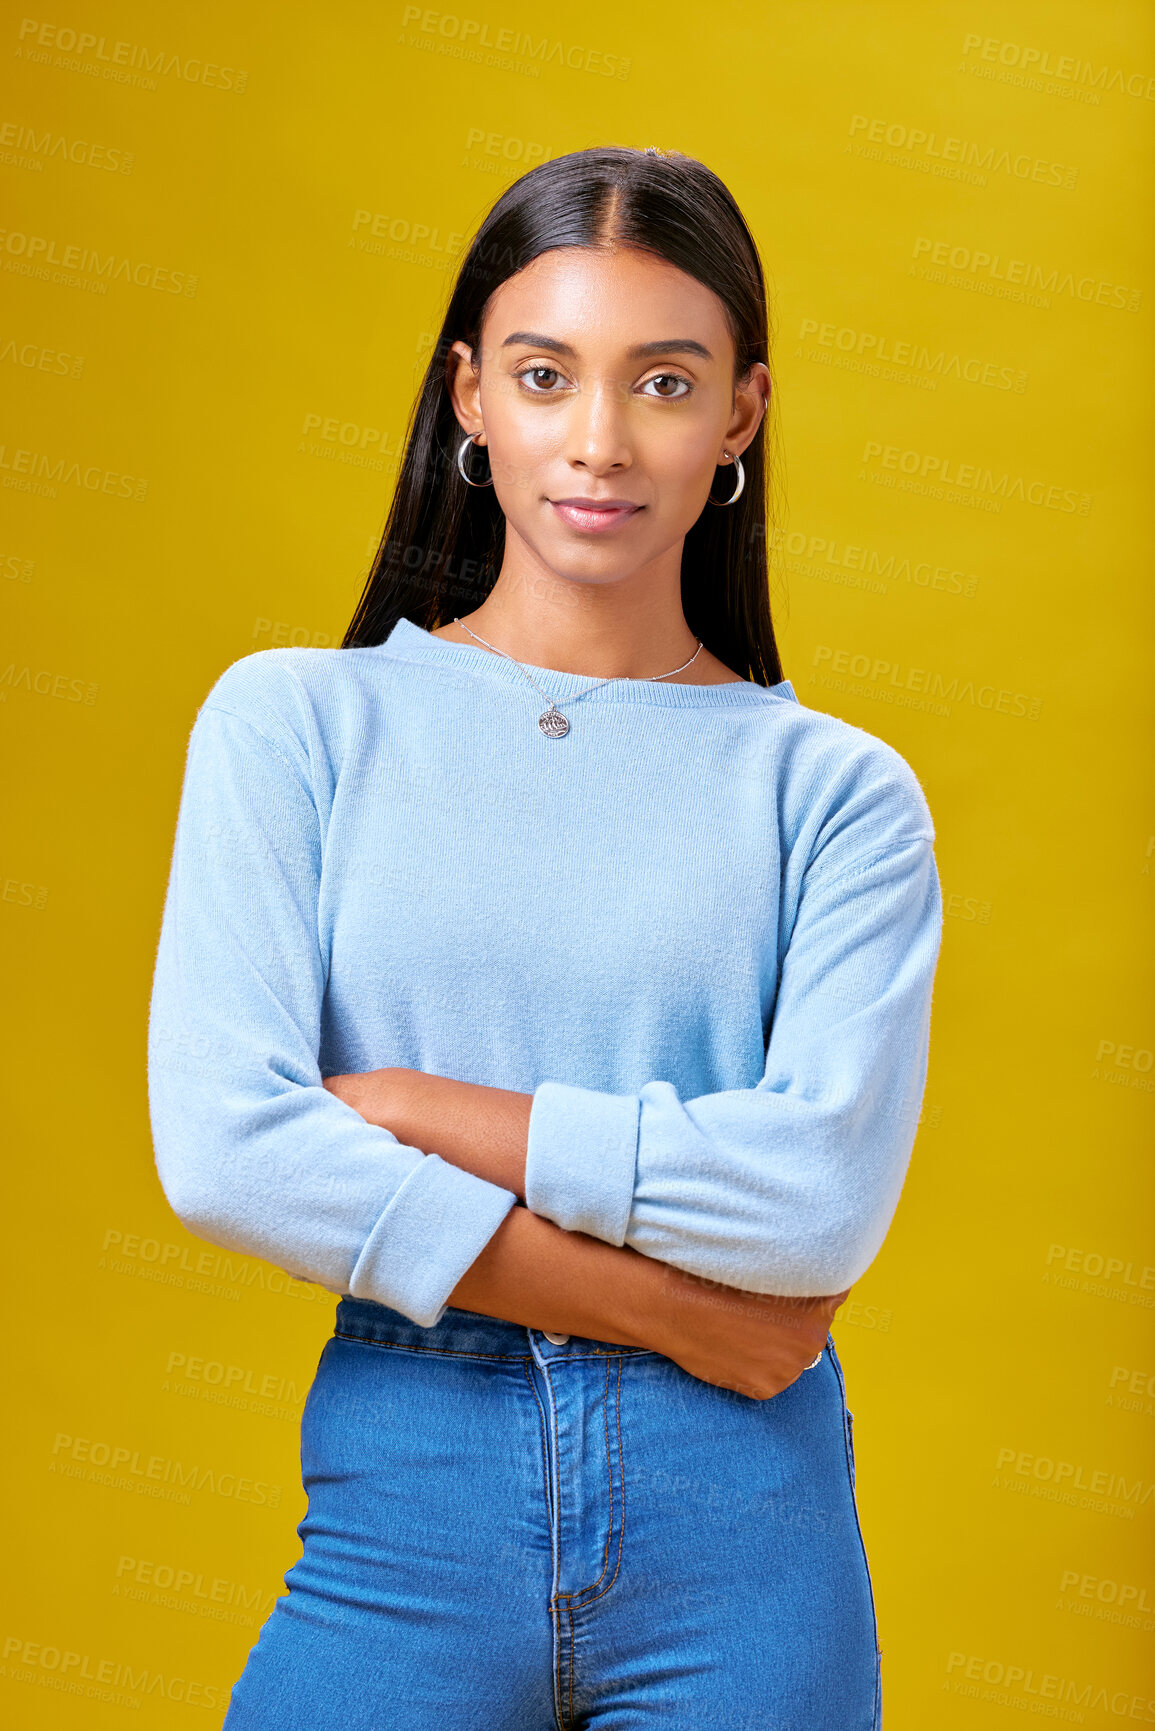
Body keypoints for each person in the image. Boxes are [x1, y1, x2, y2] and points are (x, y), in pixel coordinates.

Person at [148, 145, 942, 1731]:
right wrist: (676, 1307)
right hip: (409, 1501)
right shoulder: (299, 724)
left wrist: (421, 1111)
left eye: (663, 380)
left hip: (748, 1543)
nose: (597, 441)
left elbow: (814, 1210)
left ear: (742, 415)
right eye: (543, 373)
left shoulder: (836, 794)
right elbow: (225, 1151)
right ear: (469, 399)